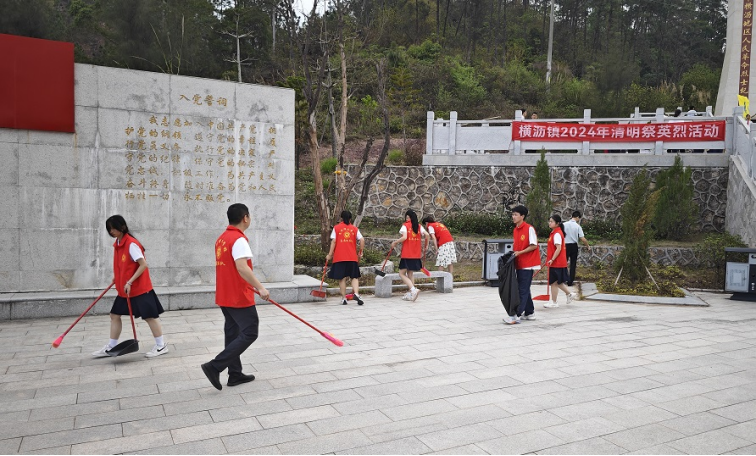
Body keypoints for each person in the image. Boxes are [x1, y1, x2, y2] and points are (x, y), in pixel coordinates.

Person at [201, 203, 270, 391]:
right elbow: (241, 267)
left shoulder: (222, 239)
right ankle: (214, 366)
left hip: (225, 294)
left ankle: (235, 374)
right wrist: (260, 288)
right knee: (250, 332)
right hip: (238, 295)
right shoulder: (239, 240)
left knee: (232, 333)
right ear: (245, 218)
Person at [92, 215, 168, 359]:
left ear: (122, 227)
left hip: (139, 289)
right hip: (125, 290)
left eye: (114, 228)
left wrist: (130, 281)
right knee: (114, 315)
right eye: (109, 229)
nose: (111, 231)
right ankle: (111, 346)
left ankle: (161, 345)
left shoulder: (131, 244)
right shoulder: (118, 243)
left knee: (150, 317)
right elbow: (124, 266)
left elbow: (143, 265)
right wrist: (118, 278)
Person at [507, 205, 541, 324]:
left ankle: (516, 314)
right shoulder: (516, 229)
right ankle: (530, 312)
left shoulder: (529, 229)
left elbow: (534, 245)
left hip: (528, 263)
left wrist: (519, 253)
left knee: (522, 289)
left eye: (516, 215)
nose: (513, 217)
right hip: (520, 263)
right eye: (513, 214)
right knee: (524, 288)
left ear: (522, 216)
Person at [326, 210, 365, 306]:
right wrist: (360, 252)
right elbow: (362, 239)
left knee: (342, 278)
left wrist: (330, 255)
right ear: (350, 218)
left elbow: (334, 241)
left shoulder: (336, 228)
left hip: (340, 257)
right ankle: (356, 293)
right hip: (352, 257)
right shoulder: (354, 229)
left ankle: (344, 299)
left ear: (341, 218)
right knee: (354, 277)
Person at [390, 209, 428, 302]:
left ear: (408, 217)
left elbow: (404, 237)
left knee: (401, 273)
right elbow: (427, 235)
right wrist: (426, 246)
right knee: (410, 273)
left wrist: (395, 242)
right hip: (416, 254)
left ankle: (413, 290)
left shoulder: (405, 225)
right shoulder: (419, 226)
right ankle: (412, 294)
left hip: (407, 254)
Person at [544, 215, 579, 308]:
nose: (549, 223)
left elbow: (558, 248)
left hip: (557, 263)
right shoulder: (555, 233)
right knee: (556, 282)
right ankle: (568, 294)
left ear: (557, 223)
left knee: (554, 282)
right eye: (549, 221)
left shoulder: (557, 234)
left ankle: (555, 302)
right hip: (556, 262)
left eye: (551, 221)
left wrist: (552, 259)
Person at [562, 210, 591, 286]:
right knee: (573, 264)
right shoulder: (578, 226)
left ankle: (563, 278)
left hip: (565, 246)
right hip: (574, 246)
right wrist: (588, 246)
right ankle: (570, 281)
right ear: (578, 217)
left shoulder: (564, 225)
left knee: (563, 263)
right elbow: (582, 238)